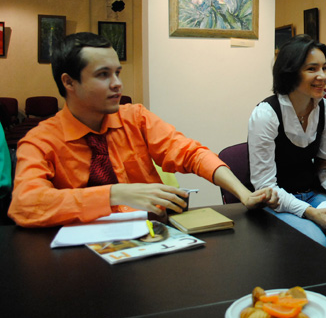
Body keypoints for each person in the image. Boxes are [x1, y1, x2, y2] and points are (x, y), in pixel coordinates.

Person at [9, 32, 277, 228]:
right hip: (81, 255)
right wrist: (114, 194)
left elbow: (190, 153)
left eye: (118, 73)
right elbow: (25, 204)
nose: (117, 84)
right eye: (103, 75)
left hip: (150, 238)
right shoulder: (40, 140)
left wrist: (244, 194)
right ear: (69, 82)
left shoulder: (135, 118)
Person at [247, 35, 326, 248]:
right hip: (275, 203)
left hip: (312, 194)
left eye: (325, 68)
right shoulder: (266, 115)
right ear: (290, 72)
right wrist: (309, 212)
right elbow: (265, 186)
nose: (323, 76)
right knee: (318, 243)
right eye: (312, 69)